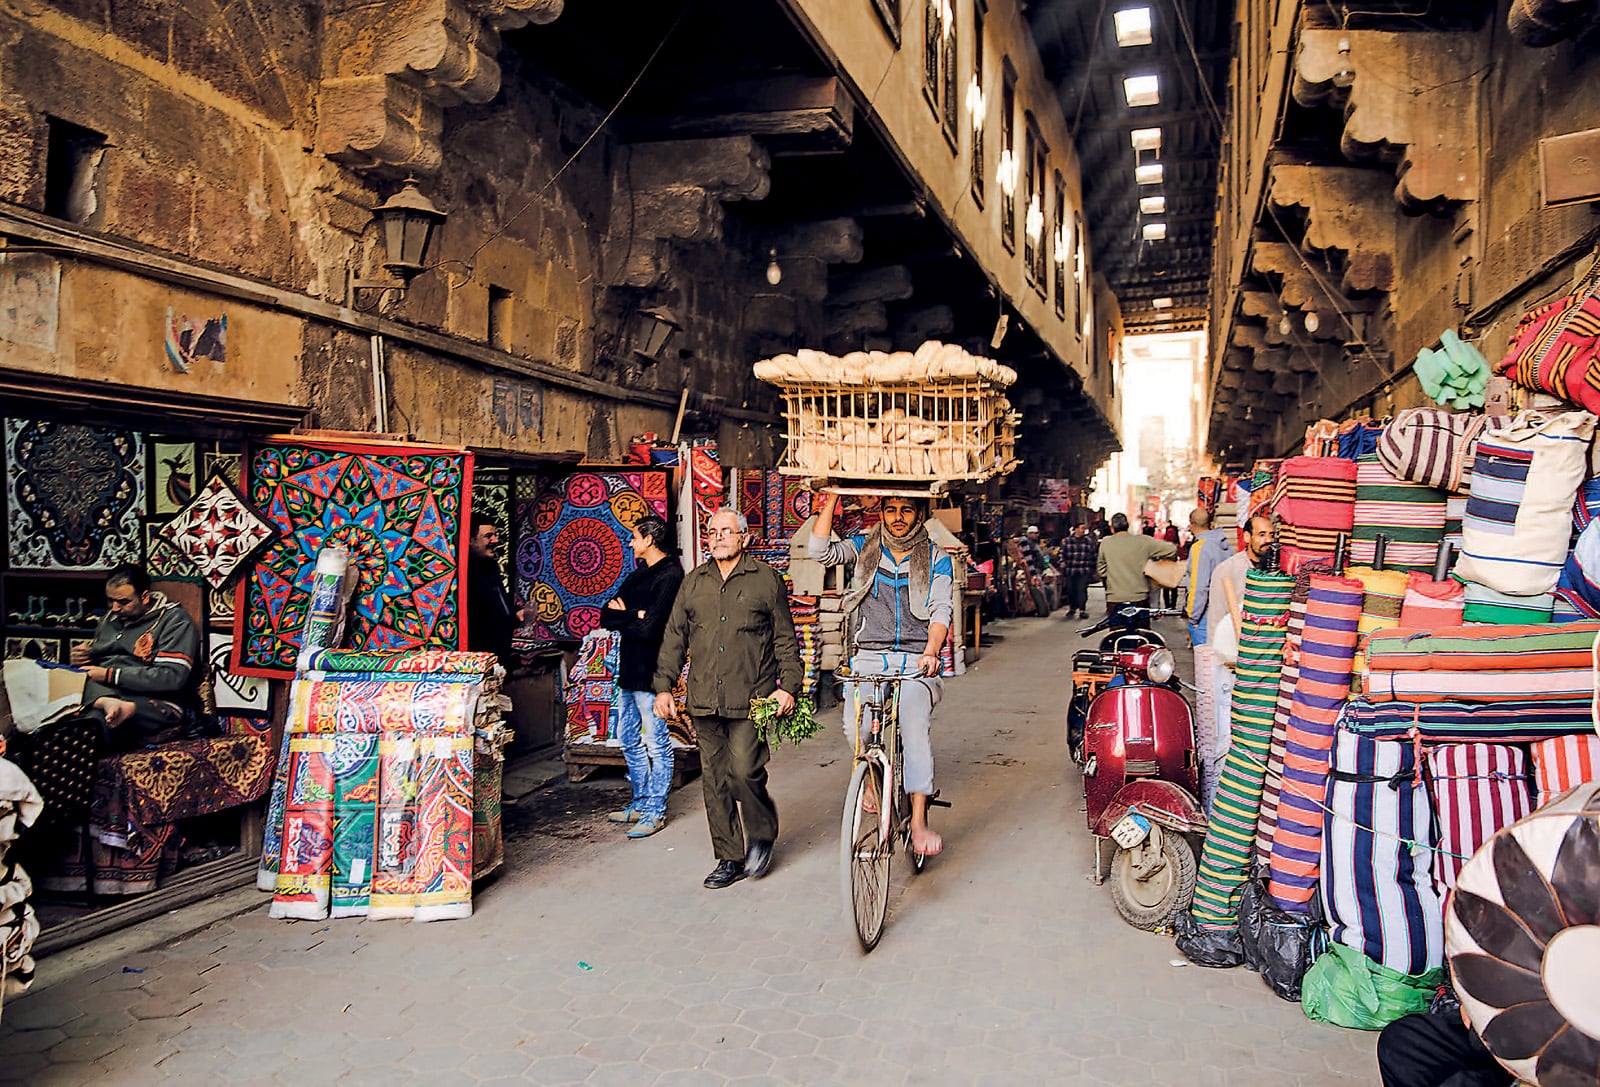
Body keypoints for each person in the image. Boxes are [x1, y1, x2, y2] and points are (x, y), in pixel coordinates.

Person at [654, 508, 802, 889]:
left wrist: (789, 685)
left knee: (744, 772)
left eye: (726, 531)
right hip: (704, 697)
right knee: (715, 780)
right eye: (712, 531)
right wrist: (664, 686)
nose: (717, 537)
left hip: (751, 695)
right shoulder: (694, 582)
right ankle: (729, 857)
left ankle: (762, 828)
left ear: (744, 538)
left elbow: (785, 637)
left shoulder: (765, 580)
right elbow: (674, 637)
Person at [809, 492, 954, 857]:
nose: (898, 517)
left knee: (915, 729)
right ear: (882, 513)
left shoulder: (937, 558)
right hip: (869, 658)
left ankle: (919, 822)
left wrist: (931, 653)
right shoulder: (863, 547)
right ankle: (874, 781)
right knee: (855, 729)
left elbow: (941, 610)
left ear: (919, 513)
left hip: (915, 661)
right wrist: (832, 500)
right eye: (891, 510)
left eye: (906, 510)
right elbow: (819, 550)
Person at [600, 515, 684, 839]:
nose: (631, 542)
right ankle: (639, 801)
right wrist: (632, 615)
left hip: (652, 672)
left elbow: (652, 629)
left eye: (635, 537)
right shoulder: (638, 576)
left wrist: (627, 615)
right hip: (629, 670)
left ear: (649, 539)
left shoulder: (671, 575)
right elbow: (605, 615)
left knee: (656, 742)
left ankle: (655, 811)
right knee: (629, 739)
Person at [69, 565, 202, 751]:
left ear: (145, 597)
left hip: (151, 700)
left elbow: (171, 678)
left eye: (123, 602)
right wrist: (81, 658)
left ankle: (111, 705)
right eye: (110, 601)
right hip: (104, 690)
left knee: (94, 723)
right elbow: (99, 660)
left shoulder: (174, 621)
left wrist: (108, 675)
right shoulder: (110, 619)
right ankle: (105, 701)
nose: (115, 608)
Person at [465, 515, 525, 660]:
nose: (495, 540)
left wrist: (515, 613)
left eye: (495, 535)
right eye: (488, 536)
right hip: (479, 656)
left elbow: (498, 606)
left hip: (499, 654)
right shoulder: (465, 575)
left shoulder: (490, 567)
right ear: (470, 540)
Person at [1096, 513, 1178, 620]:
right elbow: (1172, 549)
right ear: (1128, 526)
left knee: (1117, 632)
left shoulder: (1106, 542)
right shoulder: (1143, 541)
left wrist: (1114, 573)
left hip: (1115, 596)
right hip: (1139, 596)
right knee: (1141, 631)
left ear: (1112, 528)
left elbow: (1101, 570)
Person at [1183, 507, 1233, 647]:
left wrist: (1193, 617)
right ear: (1211, 524)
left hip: (1206, 617)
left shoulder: (1200, 548)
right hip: (1224, 613)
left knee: (1205, 664)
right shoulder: (1224, 545)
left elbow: (1199, 587)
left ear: (1191, 525)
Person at [1058, 522, 1098, 620]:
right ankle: (1072, 608)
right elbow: (1061, 553)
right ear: (1075, 529)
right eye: (1081, 528)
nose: (1083, 530)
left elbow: (1093, 555)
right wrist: (1062, 561)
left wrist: (1093, 568)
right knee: (1071, 590)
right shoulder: (1067, 541)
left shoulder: (1088, 541)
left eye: (1084, 529)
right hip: (1070, 570)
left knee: (1081, 590)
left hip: (1083, 570)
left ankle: (1082, 610)